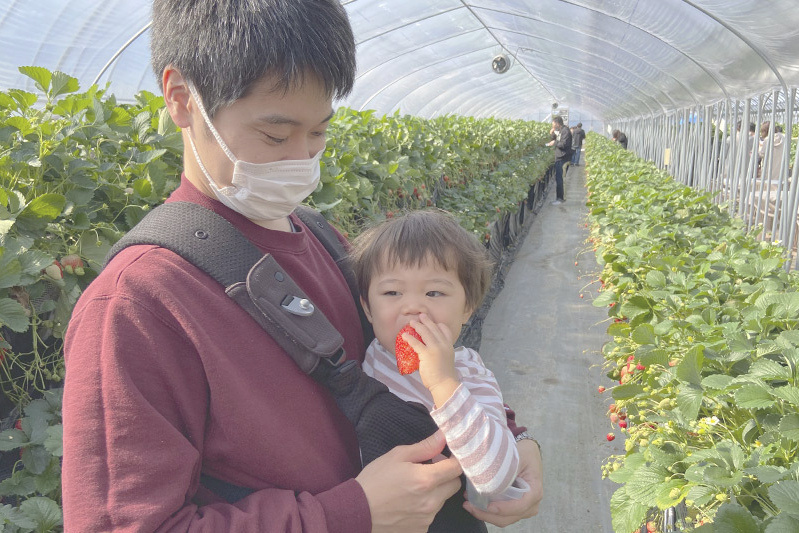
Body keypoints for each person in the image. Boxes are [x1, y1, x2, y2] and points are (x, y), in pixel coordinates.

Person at [60, 1, 543, 531]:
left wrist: (512, 439)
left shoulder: (320, 237)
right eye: (275, 134)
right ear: (182, 99)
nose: (301, 160)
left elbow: (414, 364)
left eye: (318, 133)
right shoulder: (138, 304)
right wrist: (348, 514)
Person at [353, 210, 533, 514]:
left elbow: (497, 478)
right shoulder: (368, 354)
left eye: (434, 292)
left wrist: (443, 383)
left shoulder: (469, 375)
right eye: (391, 292)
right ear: (368, 309)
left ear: (467, 308)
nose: (412, 307)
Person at [546, 115, 572, 204]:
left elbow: (563, 144)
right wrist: (552, 134)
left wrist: (555, 142)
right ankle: (558, 198)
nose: (552, 126)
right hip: (559, 158)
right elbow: (557, 140)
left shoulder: (566, 131)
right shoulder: (561, 131)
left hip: (563, 159)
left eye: (553, 124)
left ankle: (561, 199)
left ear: (557, 123)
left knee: (561, 179)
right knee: (558, 178)